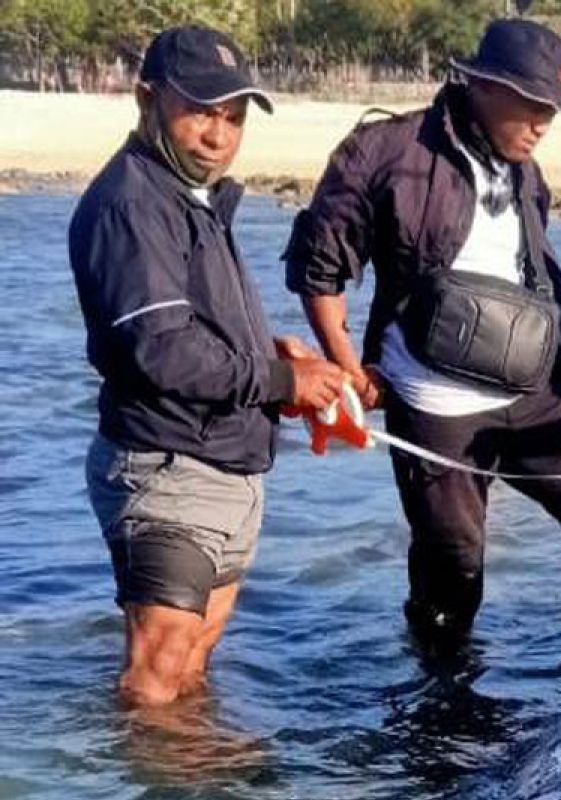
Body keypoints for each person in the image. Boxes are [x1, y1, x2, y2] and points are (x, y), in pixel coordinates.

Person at [284, 19, 561, 644]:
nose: (542, 124)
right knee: (453, 567)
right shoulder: (384, 151)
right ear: (481, 85)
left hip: (533, 397)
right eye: (532, 106)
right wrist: (347, 367)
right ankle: (440, 710)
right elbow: (318, 269)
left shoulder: (528, 172)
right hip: (434, 404)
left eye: (553, 112)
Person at [68, 25, 345, 707]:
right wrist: (283, 383)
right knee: (157, 682)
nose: (219, 135)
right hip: (166, 470)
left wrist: (270, 355)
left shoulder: (187, 195)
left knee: (188, 673)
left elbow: (190, 326)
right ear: (147, 98)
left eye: (234, 117)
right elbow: (160, 348)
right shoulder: (133, 203)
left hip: (222, 467)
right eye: (201, 111)